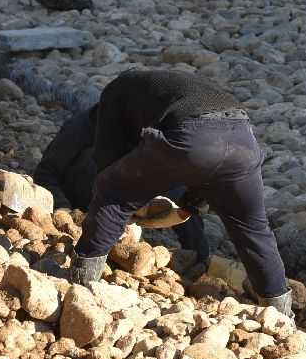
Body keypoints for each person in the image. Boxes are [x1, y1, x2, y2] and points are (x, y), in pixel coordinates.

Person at [69, 69, 294, 318]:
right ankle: (280, 317)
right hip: (243, 141)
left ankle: (80, 285)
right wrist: (190, 204)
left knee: (112, 191)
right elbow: (209, 168)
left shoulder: (114, 91)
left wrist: (122, 201)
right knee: (253, 229)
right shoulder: (174, 85)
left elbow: (107, 162)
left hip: (194, 136)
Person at [33, 105, 210, 266]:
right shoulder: (80, 128)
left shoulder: (144, 128)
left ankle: (201, 260)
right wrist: (63, 210)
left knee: (180, 192)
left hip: (126, 193)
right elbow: (45, 174)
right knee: (92, 159)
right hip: (85, 199)